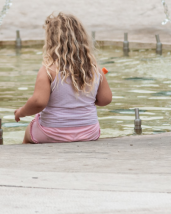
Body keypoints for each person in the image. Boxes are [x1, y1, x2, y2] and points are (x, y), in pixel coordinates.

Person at [14, 13, 112, 143]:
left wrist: (21, 112)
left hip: (52, 132)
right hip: (89, 131)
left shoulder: (48, 70)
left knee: (29, 132)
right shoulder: (94, 70)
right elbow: (105, 99)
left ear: (51, 42)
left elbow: (38, 102)